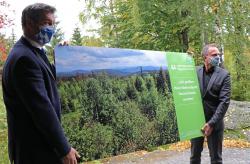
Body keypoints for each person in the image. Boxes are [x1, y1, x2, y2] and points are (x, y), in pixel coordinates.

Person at [2, 3, 79, 164]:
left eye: (53, 24)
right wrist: (64, 148)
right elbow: (41, 109)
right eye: (47, 23)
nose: (52, 28)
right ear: (30, 23)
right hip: (35, 152)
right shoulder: (24, 58)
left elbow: (46, 77)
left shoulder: (33, 52)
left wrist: (61, 59)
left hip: (38, 148)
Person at [190, 44, 231, 164]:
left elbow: (224, 102)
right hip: (196, 122)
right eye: (214, 55)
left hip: (215, 123)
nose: (218, 57)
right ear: (205, 57)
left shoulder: (224, 75)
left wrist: (211, 123)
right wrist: (185, 59)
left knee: (216, 159)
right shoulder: (194, 71)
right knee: (194, 157)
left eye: (218, 55)